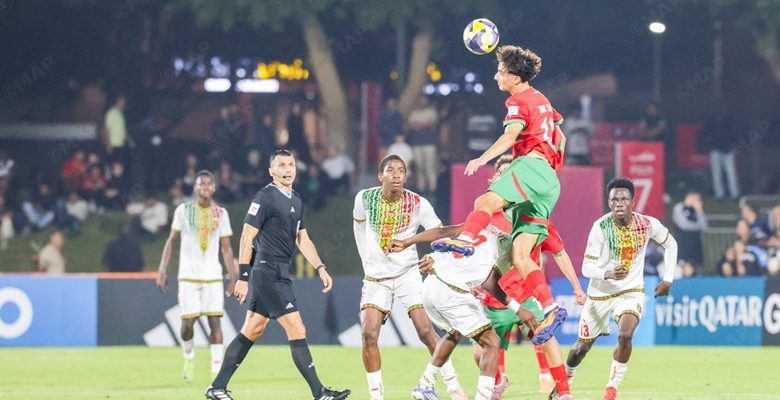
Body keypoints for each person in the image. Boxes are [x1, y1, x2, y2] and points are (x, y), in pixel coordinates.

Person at [391, 156, 585, 400]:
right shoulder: (487, 216)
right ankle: (481, 387)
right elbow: (449, 234)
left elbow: (557, 253)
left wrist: (575, 288)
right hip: (473, 292)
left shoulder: (524, 220)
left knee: (463, 334)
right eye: (502, 176)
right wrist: (411, 244)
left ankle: (562, 392)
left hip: (493, 291)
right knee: (484, 346)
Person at [431, 45, 567, 345]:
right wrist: (551, 168)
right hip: (549, 180)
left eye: (501, 72)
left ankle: (465, 241)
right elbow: (561, 136)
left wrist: (482, 158)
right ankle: (550, 307)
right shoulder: (543, 100)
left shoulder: (518, 100)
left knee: (486, 201)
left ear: (516, 78)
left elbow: (510, 136)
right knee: (520, 256)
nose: (496, 77)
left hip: (530, 166)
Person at [205, 150, 349, 400]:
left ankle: (217, 387)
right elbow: (246, 237)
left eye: (291, 164)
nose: (287, 169)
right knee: (297, 327)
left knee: (252, 329)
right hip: (267, 270)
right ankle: (319, 393)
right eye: (281, 165)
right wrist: (242, 277)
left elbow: (302, 239)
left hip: (279, 270)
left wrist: (320, 267)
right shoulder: (265, 197)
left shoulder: (296, 199)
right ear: (271, 171)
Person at [353, 154, 465, 400]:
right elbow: (358, 227)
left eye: (401, 171)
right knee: (368, 334)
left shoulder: (417, 203)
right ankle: (376, 396)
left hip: (407, 274)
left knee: (425, 331)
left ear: (405, 176)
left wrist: (435, 258)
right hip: (375, 278)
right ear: (380, 175)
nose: (396, 175)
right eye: (390, 170)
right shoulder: (364, 198)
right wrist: (366, 261)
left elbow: (439, 232)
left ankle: (454, 386)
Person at [564, 177, 678, 400]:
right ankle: (565, 383)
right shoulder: (600, 228)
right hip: (600, 295)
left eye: (623, 199)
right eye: (614, 199)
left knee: (625, 335)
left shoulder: (647, 224)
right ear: (609, 203)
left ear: (632, 202)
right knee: (580, 349)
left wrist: (668, 279)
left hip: (630, 291)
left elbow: (671, 244)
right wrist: (607, 273)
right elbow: (586, 267)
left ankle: (612, 388)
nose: (618, 203)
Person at [157, 170, 237, 383]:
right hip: (188, 275)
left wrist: (233, 277)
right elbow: (171, 240)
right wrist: (162, 270)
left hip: (212, 275)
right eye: (201, 183)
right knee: (187, 324)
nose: (205, 187)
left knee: (215, 322)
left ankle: (216, 373)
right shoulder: (183, 211)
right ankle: (188, 354)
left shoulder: (221, 213)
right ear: (195, 187)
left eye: (209, 184)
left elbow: (226, 248)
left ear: (214, 187)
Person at [699, 109, 739, 199]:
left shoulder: (728, 122)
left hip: (728, 151)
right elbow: (705, 134)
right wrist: (709, 145)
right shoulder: (711, 123)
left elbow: (734, 135)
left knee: (731, 173)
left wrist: (733, 146)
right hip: (715, 151)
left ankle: (735, 194)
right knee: (716, 174)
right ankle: (719, 195)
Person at [406, 96, 439, 193]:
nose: (422, 102)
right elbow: (411, 126)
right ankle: (421, 188)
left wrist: (418, 124)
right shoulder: (414, 113)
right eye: (421, 100)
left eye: (424, 100)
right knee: (419, 167)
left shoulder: (431, 112)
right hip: (417, 143)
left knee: (429, 167)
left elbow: (431, 124)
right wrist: (423, 124)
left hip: (429, 144)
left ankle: (432, 188)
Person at [671, 191, 707, 272]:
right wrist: (697, 226)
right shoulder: (679, 207)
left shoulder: (697, 211)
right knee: (684, 268)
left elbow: (704, 226)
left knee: (697, 268)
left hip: (695, 245)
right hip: (682, 244)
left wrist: (699, 211)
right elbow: (683, 225)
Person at [104, 94, 132, 167]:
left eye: (124, 103)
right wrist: (108, 145)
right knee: (115, 166)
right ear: (118, 102)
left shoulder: (121, 114)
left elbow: (123, 130)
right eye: (122, 102)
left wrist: (129, 141)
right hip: (113, 145)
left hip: (121, 144)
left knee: (123, 165)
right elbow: (106, 130)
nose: (124, 105)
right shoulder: (111, 113)